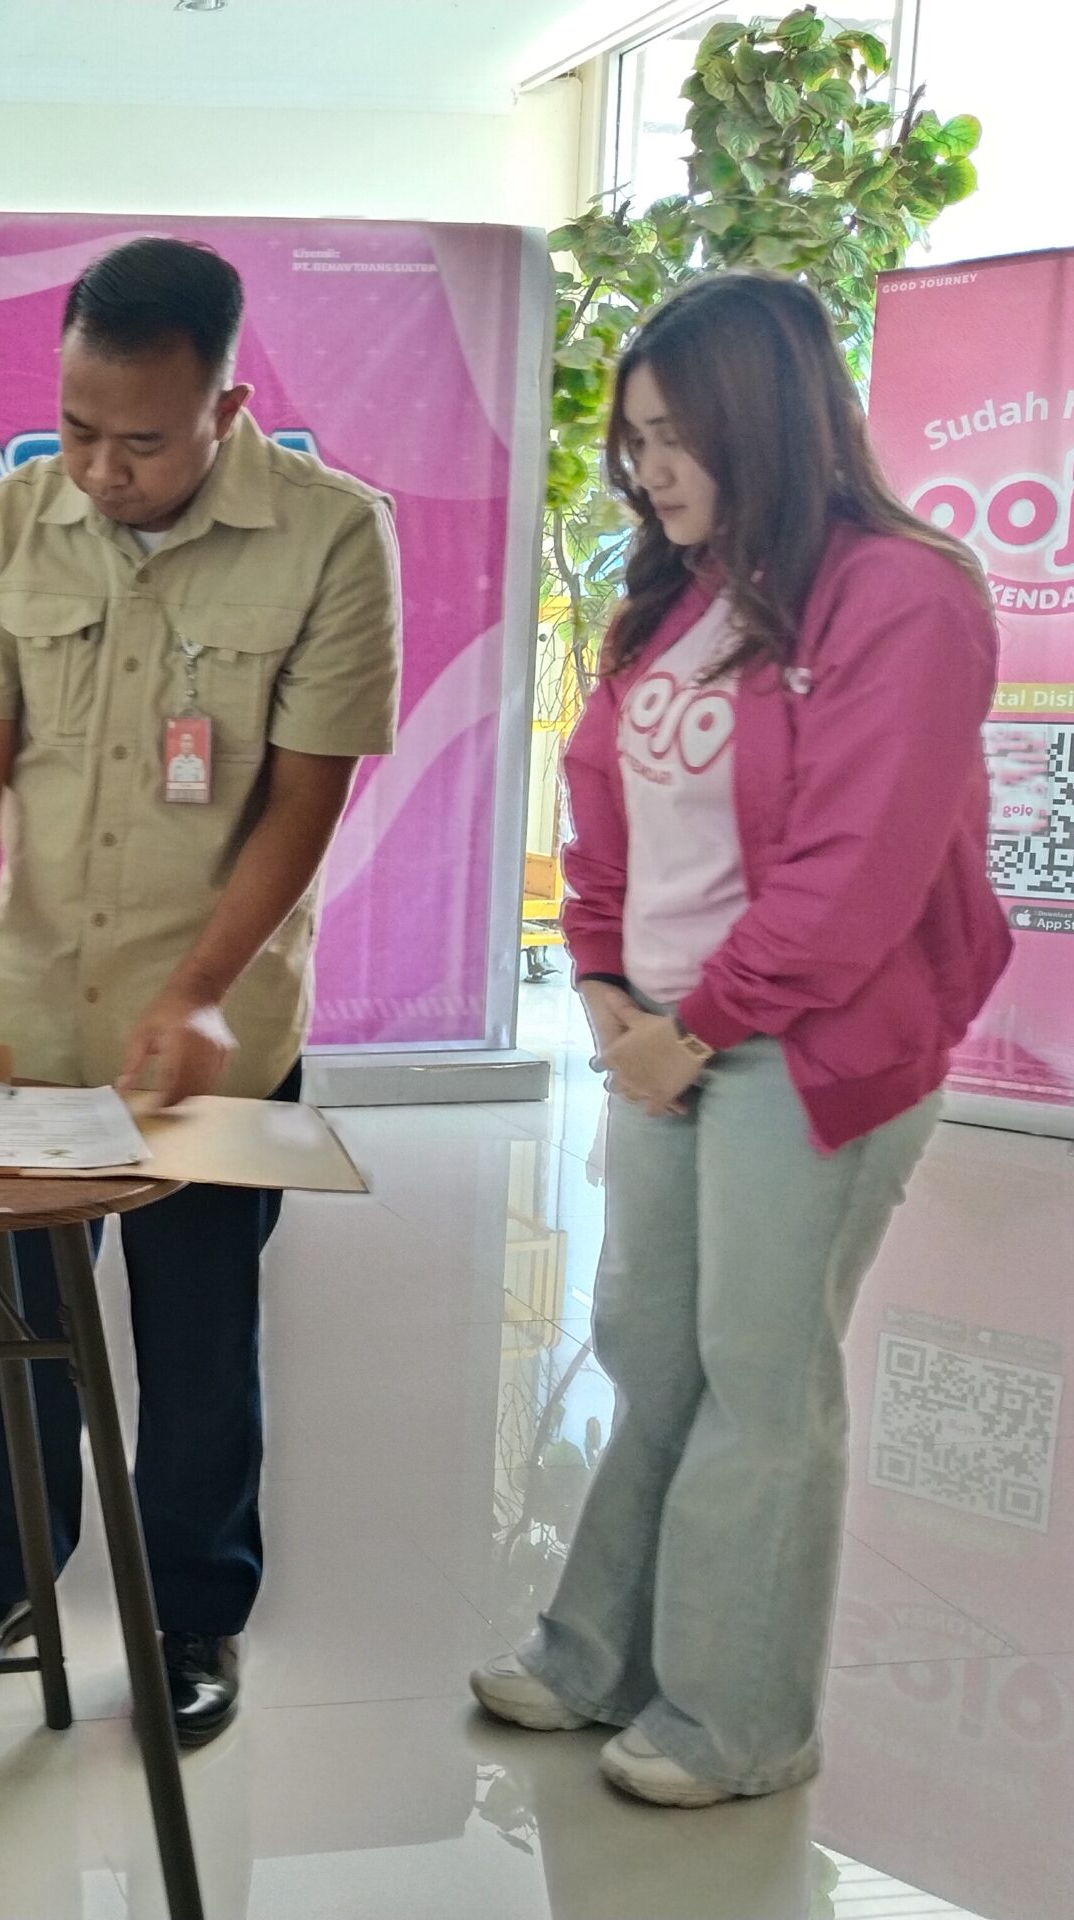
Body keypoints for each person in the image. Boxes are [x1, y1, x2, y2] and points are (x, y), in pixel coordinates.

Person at [467, 272, 1010, 1807]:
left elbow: (857, 878)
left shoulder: (903, 591)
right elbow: (606, 817)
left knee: (761, 1383)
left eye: (673, 435)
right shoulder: (683, 594)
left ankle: (740, 1725)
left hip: (807, 1053)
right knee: (653, 1356)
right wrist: (603, 993)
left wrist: (688, 1031)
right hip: (669, 1043)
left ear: (765, 419)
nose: (647, 469)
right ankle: (595, 1663)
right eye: (634, 438)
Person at [0, 237, 402, 1744]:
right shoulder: (10, 520)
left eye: (143, 439)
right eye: (76, 429)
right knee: (19, 1338)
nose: (102, 469)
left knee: (196, 1354)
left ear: (226, 406)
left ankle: (194, 1620)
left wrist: (197, 991)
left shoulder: (331, 536)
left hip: (213, 1040)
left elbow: (305, 797)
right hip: (31, 1024)